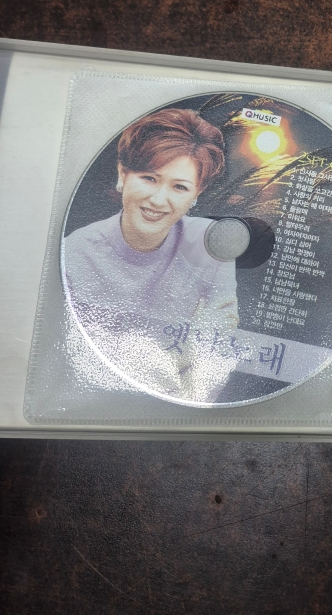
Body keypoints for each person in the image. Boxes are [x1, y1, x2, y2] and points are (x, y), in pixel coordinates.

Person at [62, 108, 239, 404]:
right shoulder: (76, 252)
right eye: (149, 178)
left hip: (175, 411)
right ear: (123, 174)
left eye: (179, 187)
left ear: (197, 193)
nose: (158, 200)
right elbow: (70, 359)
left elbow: (215, 351)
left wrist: (174, 414)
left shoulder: (209, 245)